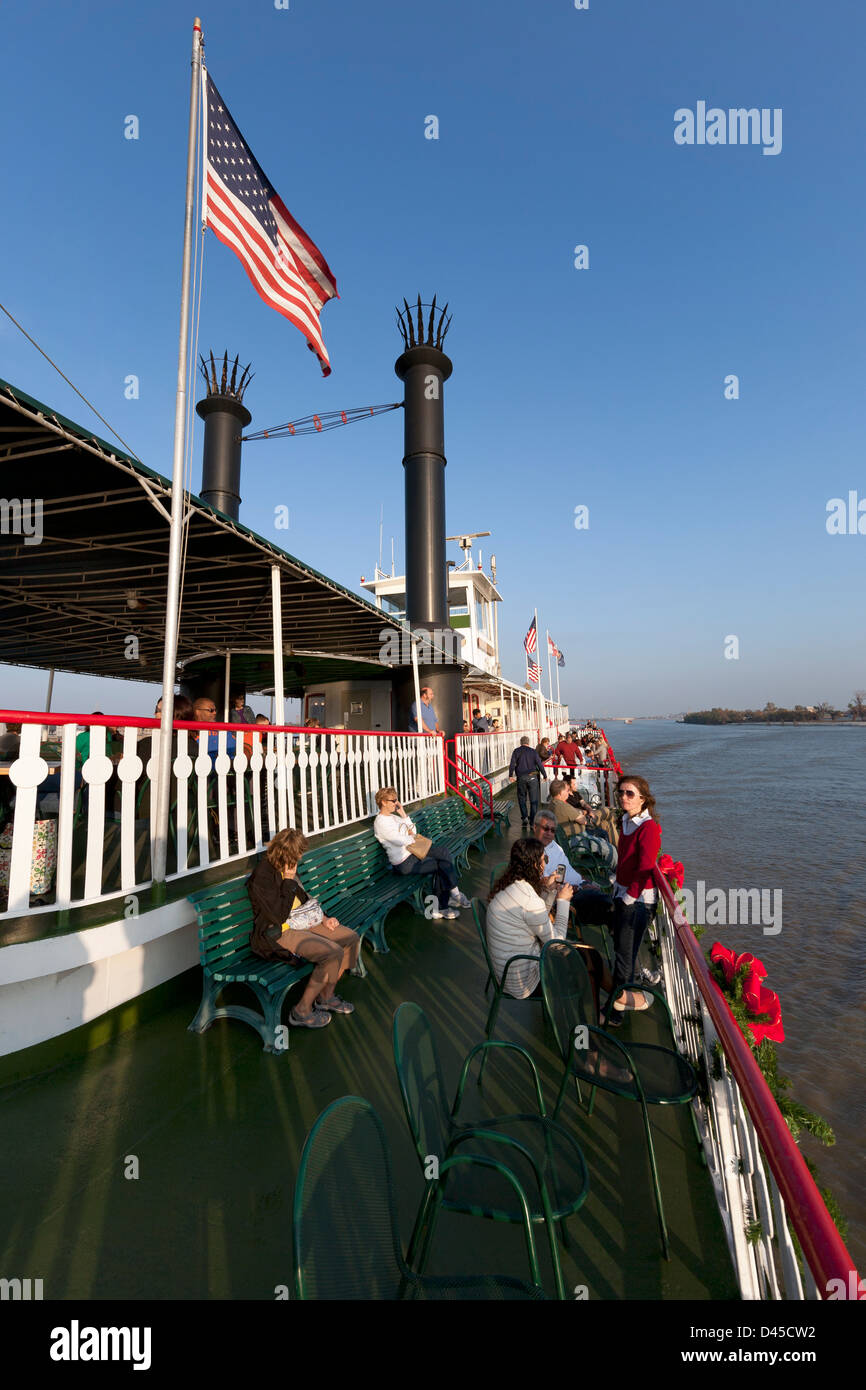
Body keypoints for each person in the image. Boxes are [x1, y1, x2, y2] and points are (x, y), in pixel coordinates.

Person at [246, 828, 359, 1029]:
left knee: (350, 938)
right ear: (286, 853)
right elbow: (278, 916)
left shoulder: (287, 865)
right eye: (298, 854)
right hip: (280, 931)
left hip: (304, 921)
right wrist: (288, 881)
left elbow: (304, 899)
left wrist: (324, 919)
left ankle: (325, 996)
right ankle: (301, 1011)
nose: (300, 857)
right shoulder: (262, 877)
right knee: (332, 953)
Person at [601, 775, 662, 1027]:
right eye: (621, 792)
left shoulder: (648, 828)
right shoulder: (626, 820)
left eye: (629, 794)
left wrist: (630, 895)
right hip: (622, 893)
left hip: (638, 901)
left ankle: (615, 1013)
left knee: (625, 958)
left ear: (643, 799)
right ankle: (622, 998)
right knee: (623, 953)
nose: (623, 797)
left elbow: (646, 867)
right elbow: (626, 860)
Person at [486, 838, 572, 999]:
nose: (546, 865)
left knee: (586, 958)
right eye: (543, 860)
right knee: (588, 962)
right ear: (534, 865)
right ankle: (610, 1007)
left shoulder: (509, 885)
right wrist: (563, 902)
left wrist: (550, 891)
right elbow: (557, 944)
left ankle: (617, 1001)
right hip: (522, 983)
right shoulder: (528, 899)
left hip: (504, 974)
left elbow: (536, 918)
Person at [373, 786, 469, 919]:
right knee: (442, 860)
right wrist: (411, 836)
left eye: (396, 800)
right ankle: (451, 897)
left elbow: (413, 831)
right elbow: (399, 840)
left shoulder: (394, 818)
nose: (396, 803)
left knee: (443, 856)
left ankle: (444, 903)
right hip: (404, 864)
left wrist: (403, 814)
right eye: (393, 800)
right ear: (383, 802)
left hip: (414, 853)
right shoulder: (380, 823)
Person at [549, 779, 618, 874]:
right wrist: (582, 814)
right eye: (566, 791)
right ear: (560, 793)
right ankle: (615, 874)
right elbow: (584, 821)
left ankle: (605, 869)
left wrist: (580, 813)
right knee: (611, 850)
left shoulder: (552, 804)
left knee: (604, 832)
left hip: (570, 839)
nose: (568, 793)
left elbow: (579, 815)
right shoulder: (563, 806)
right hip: (576, 841)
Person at [508, 735, 548, 830]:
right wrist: (544, 775)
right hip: (532, 777)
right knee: (534, 800)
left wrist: (510, 775)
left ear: (521, 742)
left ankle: (524, 817)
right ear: (528, 742)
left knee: (522, 798)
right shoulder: (533, 751)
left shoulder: (516, 751)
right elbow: (539, 764)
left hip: (521, 777)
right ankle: (532, 820)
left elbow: (512, 764)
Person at [193, 696, 237, 768]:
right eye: (211, 710)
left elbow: (235, 749)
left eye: (215, 710)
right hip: (198, 772)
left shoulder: (223, 730)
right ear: (197, 712)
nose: (215, 713)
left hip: (224, 771)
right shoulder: (190, 731)